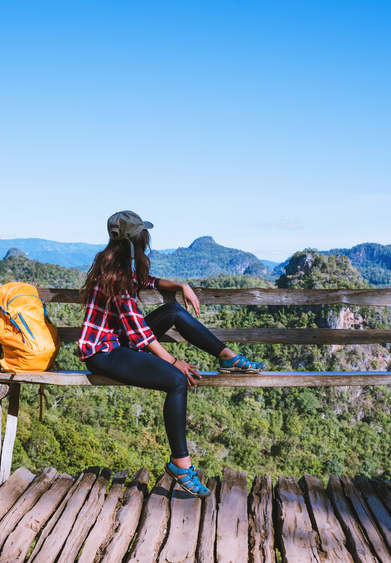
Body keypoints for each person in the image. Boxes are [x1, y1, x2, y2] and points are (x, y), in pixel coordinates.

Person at [77, 210, 267, 498]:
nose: (147, 237)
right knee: (177, 381)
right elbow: (138, 331)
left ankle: (227, 357)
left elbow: (146, 282)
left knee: (174, 311)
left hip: (119, 341)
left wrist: (180, 286)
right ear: (134, 239)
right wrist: (174, 361)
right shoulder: (114, 275)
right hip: (104, 352)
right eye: (143, 233)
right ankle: (180, 464)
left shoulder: (118, 264)